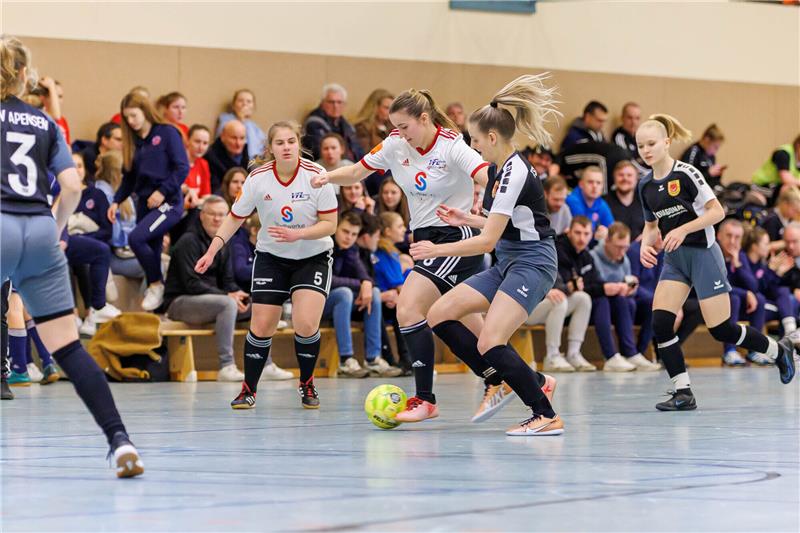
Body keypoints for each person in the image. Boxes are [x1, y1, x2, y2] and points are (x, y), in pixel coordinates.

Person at [312, 86, 516, 423]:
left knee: (409, 308)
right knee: (479, 332)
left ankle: (428, 397)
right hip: (424, 242)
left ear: (424, 119)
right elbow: (359, 170)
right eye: (395, 127)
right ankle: (534, 383)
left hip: (455, 239)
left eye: (405, 126)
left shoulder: (453, 146)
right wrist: (326, 177)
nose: (400, 134)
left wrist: (491, 202)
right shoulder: (395, 143)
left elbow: (488, 174)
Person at [1, 36, 143, 476]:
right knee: (67, 347)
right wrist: (55, 228)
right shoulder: (45, 122)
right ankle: (120, 441)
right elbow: (73, 185)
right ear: (27, 76)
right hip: (40, 229)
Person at [411, 73, 562, 435]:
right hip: (510, 261)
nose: (475, 149)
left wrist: (437, 248)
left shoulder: (513, 174)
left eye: (477, 142)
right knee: (439, 313)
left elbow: (487, 243)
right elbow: (504, 224)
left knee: (490, 340)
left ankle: (545, 414)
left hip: (533, 263)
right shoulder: (497, 169)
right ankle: (524, 377)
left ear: (492, 138)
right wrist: (468, 217)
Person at [637, 114, 795, 411]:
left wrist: (683, 229)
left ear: (667, 143)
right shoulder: (645, 185)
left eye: (651, 143)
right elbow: (649, 227)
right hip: (674, 259)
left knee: (721, 329)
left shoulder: (686, 174)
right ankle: (682, 391)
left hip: (703, 255)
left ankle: (778, 349)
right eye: (640, 145)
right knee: (661, 322)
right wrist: (645, 246)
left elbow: (717, 212)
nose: (645, 150)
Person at [195, 121, 338, 410]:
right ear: (270, 149)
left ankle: (307, 383)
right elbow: (235, 217)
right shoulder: (258, 178)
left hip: (312, 256)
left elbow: (330, 224)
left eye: (291, 141)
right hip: (272, 257)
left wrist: (298, 234)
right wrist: (212, 251)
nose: (286, 147)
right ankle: (248, 389)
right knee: (262, 325)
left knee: (305, 323)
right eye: (280, 143)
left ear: (299, 144)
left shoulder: (317, 176)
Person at [106, 91, 190, 311]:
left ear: (144, 111)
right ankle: (159, 304)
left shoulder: (167, 133)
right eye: (127, 118)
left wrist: (163, 191)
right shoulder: (134, 142)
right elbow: (130, 177)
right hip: (145, 203)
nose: (131, 122)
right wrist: (116, 201)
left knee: (136, 239)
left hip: (167, 202)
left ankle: (156, 284)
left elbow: (182, 167)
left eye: (134, 115)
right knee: (150, 249)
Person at [163, 196, 247, 381]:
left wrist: (240, 295)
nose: (217, 219)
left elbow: (228, 281)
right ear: (202, 215)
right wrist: (227, 295)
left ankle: (265, 364)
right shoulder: (188, 241)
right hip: (179, 302)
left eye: (221, 215)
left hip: (212, 301)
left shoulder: (224, 242)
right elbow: (191, 284)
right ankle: (227, 366)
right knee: (227, 304)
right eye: (212, 214)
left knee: (259, 305)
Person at [326, 211, 401, 378]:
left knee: (373, 292)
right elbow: (328, 281)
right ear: (336, 228)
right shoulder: (324, 245)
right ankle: (346, 360)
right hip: (317, 304)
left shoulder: (351, 249)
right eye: (345, 232)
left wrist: (367, 283)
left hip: (342, 305)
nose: (349, 237)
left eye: (353, 234)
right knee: (344, 293)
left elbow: (364, 274)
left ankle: (373, 359)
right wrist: (361, 284)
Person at [228, 213, 294, 381]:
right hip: (239, 297)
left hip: (257, 295)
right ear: (254, 230)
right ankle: (265, 364)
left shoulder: (269, 248)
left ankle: (267, 364)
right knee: (266, 312)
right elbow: (241, 271)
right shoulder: (239, 245)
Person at [590, 222, 659, 371]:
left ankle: (636, 352)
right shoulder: (593, 256)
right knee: (619, 302)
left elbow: (627, 280)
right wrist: (612, 287)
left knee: (647, 303)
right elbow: (593, 285)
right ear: (607, 241)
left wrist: (631, 287)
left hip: (620, 302)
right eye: (618, 247)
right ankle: (619, 354)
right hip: (600, 303)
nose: (622, 252)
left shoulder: (624, 259)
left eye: (625, 247)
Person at [68, 152, 122, 336]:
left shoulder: (96, 194)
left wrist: (86, 239)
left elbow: (107, 230)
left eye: (80, 165)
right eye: (72, 165)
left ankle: (92, 312)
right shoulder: (60, 194)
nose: (76, 170)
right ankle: (73, 314)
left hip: (91, 242)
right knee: (64, 259)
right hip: (66, 243)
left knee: (87, 257)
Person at [743, 226, 798, 335]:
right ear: (754, 246)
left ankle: (790, 333)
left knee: (784, 292)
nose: (769, 247)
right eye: (766, 244)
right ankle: (790, 335)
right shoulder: (745, 261)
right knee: (790, 305)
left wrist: (777, 273)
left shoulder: (760, 263)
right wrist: (771, 270)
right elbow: (755, 287)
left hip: (763, 302)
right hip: (750, 305)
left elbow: (769, 287)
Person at [302, 83, 364, 161]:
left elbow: (358, 150)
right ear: (322, 103)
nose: (335, 106)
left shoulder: (346, 125)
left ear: (344, 105)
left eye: (339, 102)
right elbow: (320, 152)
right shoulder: (314, 123)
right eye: (331, 102)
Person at [565, 165, 614, 241]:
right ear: (581, 184)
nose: (595, 186)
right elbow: (583, 231)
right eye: (590, 182)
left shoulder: (601, 204)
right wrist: (597, 235)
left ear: (602, 186)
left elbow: (612, 229)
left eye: (598, 183)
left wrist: (607, 233)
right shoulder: (572, 201)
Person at [216, 89, 266, 160]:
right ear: (233, 105)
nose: (244, 104)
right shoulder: (225, 119)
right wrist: (241, 118)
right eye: (240, 101)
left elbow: (264, 145)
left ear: (253, 107)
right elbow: (220, 140)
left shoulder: (254, 127)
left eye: (249, 101)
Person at [603, 160, 645, 240]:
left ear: (636, 179)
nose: (625, 178)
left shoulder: (645, 201)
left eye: (629, 175)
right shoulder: (604, 202)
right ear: (614, 178)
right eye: (621, 175)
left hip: (641, 249)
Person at [206, 120, 248, 195]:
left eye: (242, 138)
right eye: (234, 138)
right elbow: (215, 191)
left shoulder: (246, 156)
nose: (238, 143)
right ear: (222, 137)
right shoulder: (211, 158)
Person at [680, 124, 726, 189]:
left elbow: (712, 181)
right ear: (707, 140)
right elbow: (687, 178)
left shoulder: (711, 156)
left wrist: (718, 174)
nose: (716, 151)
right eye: (715, 147)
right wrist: (708, 173)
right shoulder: (693, 151)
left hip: (708, 190)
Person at [612, 102, 648, 175]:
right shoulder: (619, 137)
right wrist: (649, 173)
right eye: (629, 118)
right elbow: (629, 163)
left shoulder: (640, 136)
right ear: (622, 118)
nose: (633, 122)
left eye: (637, 118)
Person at [353, 89, 394, 154]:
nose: (390, 112)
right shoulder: (361, 127)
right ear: (375, 107)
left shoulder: (393, 127)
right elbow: (365, 153)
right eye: (386, 108)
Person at [760, 186, 800, 250]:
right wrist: (790, 241)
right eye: (794, 210)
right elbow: (766, 246)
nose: (796, 213)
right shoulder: (771, 220)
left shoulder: (789, 219)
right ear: (785, 204)